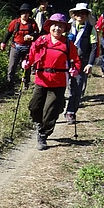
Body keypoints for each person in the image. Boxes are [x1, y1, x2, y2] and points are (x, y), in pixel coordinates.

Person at [22, 13, 80, 150]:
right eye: (54, 25)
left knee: (50, 112)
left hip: (58, 82)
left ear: (64, 28)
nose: (57, 29)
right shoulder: (41, 40)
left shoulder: (67, 44)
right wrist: (26, 63)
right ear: (49, 27)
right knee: (34, 107)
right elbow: (31, 54)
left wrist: (75, 70)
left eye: (60, 26)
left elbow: (76, 61)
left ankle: (43, 134)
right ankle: (38, 124)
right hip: (41, 79)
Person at [64, 3, 98, 125]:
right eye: (77, 13)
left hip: (82, 62)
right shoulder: (67, 27)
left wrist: (90, 64)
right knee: (61, 87)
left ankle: (71, 112)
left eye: (83, 13)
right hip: (66, 61)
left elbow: (94, 47)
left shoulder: (90, 29)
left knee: (77, 87)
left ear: (87, 15)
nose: (80, 15)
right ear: (73, 15)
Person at [0, 3, 40, 94]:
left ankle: (26, 84)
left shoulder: (32, 23)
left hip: (27, 48)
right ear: (20, 14)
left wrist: (31, 36)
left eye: (26, 13)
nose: (25, 14)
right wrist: (3, 43)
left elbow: (37, 34)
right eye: (23, 13)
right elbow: (9, 33)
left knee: (26, 67)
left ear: (29, 14)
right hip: (15, 47)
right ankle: (10, 87)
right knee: (11, 67)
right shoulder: (15, 22)